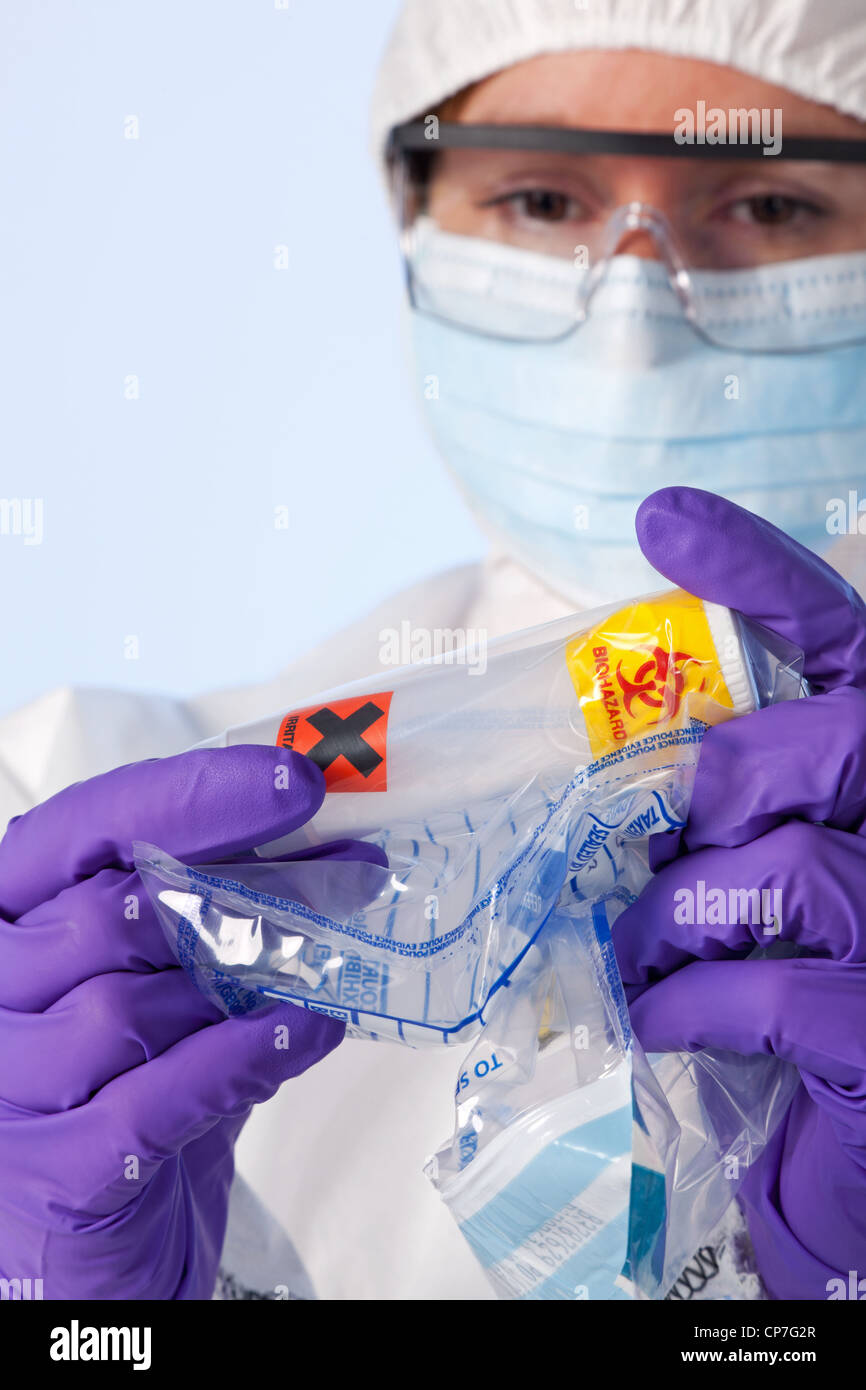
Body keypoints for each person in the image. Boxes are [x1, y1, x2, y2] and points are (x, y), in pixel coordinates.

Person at [1, 0, 865, 1302]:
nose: (631, 300)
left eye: (771, 207)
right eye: (536, 197)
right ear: (414, 222)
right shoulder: (91, 831)